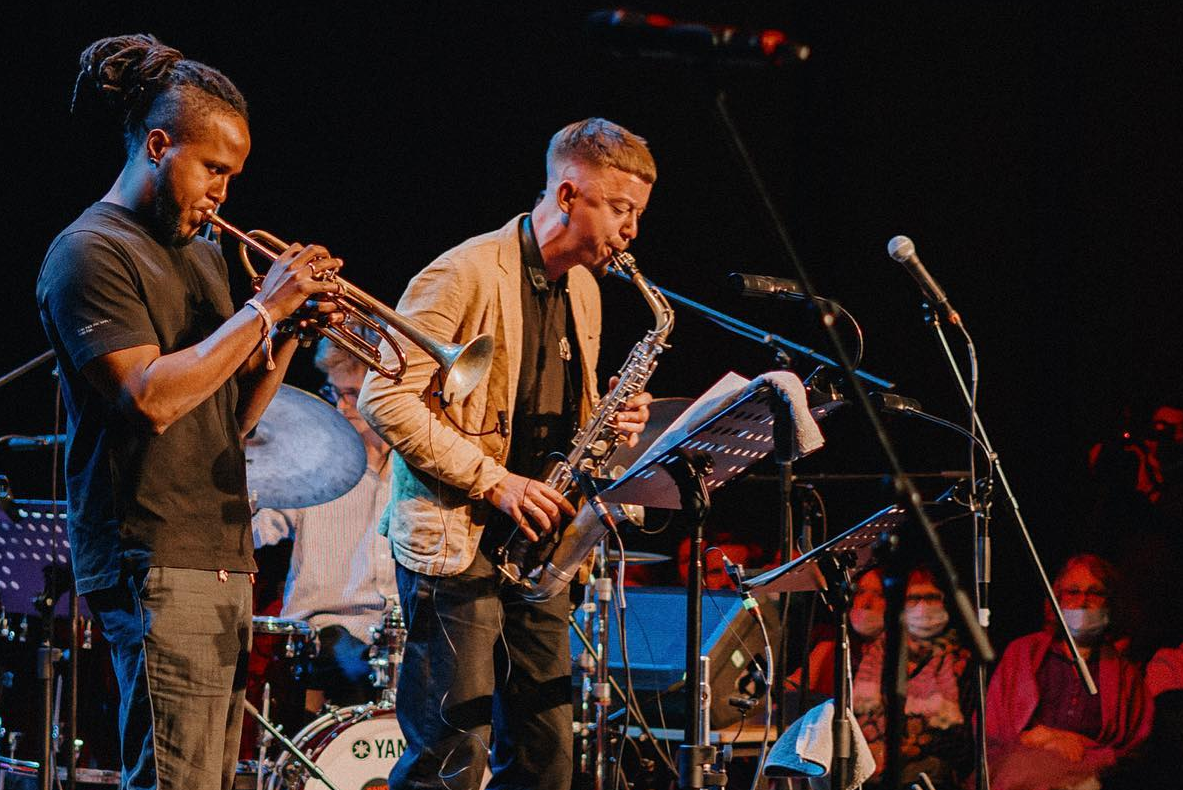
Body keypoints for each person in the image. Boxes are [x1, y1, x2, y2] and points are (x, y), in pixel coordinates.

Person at [36, 34, 342, 790]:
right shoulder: (90, 251)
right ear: (157, 143)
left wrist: (285, 340)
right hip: (151, 552)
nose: (222, 195)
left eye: (232, 177)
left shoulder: (203, 255)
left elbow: (230, 422)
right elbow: (152, 399)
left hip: (220, 553)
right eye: (212, 170)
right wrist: (265, 309)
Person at [358, 118, 655, 790]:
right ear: (569, 192)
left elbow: (554, 415)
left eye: (637, 213)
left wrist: (612, 419)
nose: (631, 230)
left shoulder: (583, 287)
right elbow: (386, 398)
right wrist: (497, 484)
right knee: (450, 756)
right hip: (457, 543)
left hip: (536, 548)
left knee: (546, 755)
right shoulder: (460, 273)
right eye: (620, 209)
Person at [252, 333, 398, 711]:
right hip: (323, 636)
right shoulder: (313, 464)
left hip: (401, 638)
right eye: (336, 393)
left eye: (353, 395)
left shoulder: (417, 469)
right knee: (346, 657)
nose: (342, 407)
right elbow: (258, 528)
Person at [985, 554, 1152, 790]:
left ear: (1110, 603)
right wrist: (1041, 738)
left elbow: (1133, 748)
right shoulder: (1023, 653)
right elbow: (992, 730)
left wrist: (1077, 743)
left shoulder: (1125, 674)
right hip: (1019, 772)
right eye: (1073, 592)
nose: (1083, 601)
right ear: (1057, 599)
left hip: (1091, 778)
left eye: (1095, 593)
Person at [852, 565, 975, 789]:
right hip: (871, 764)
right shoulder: (875, 656)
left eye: (931, 598)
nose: (922, 607)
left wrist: (899, 751)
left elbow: (962, 741)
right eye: (913, 599)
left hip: (927, 769)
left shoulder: (961, 661)